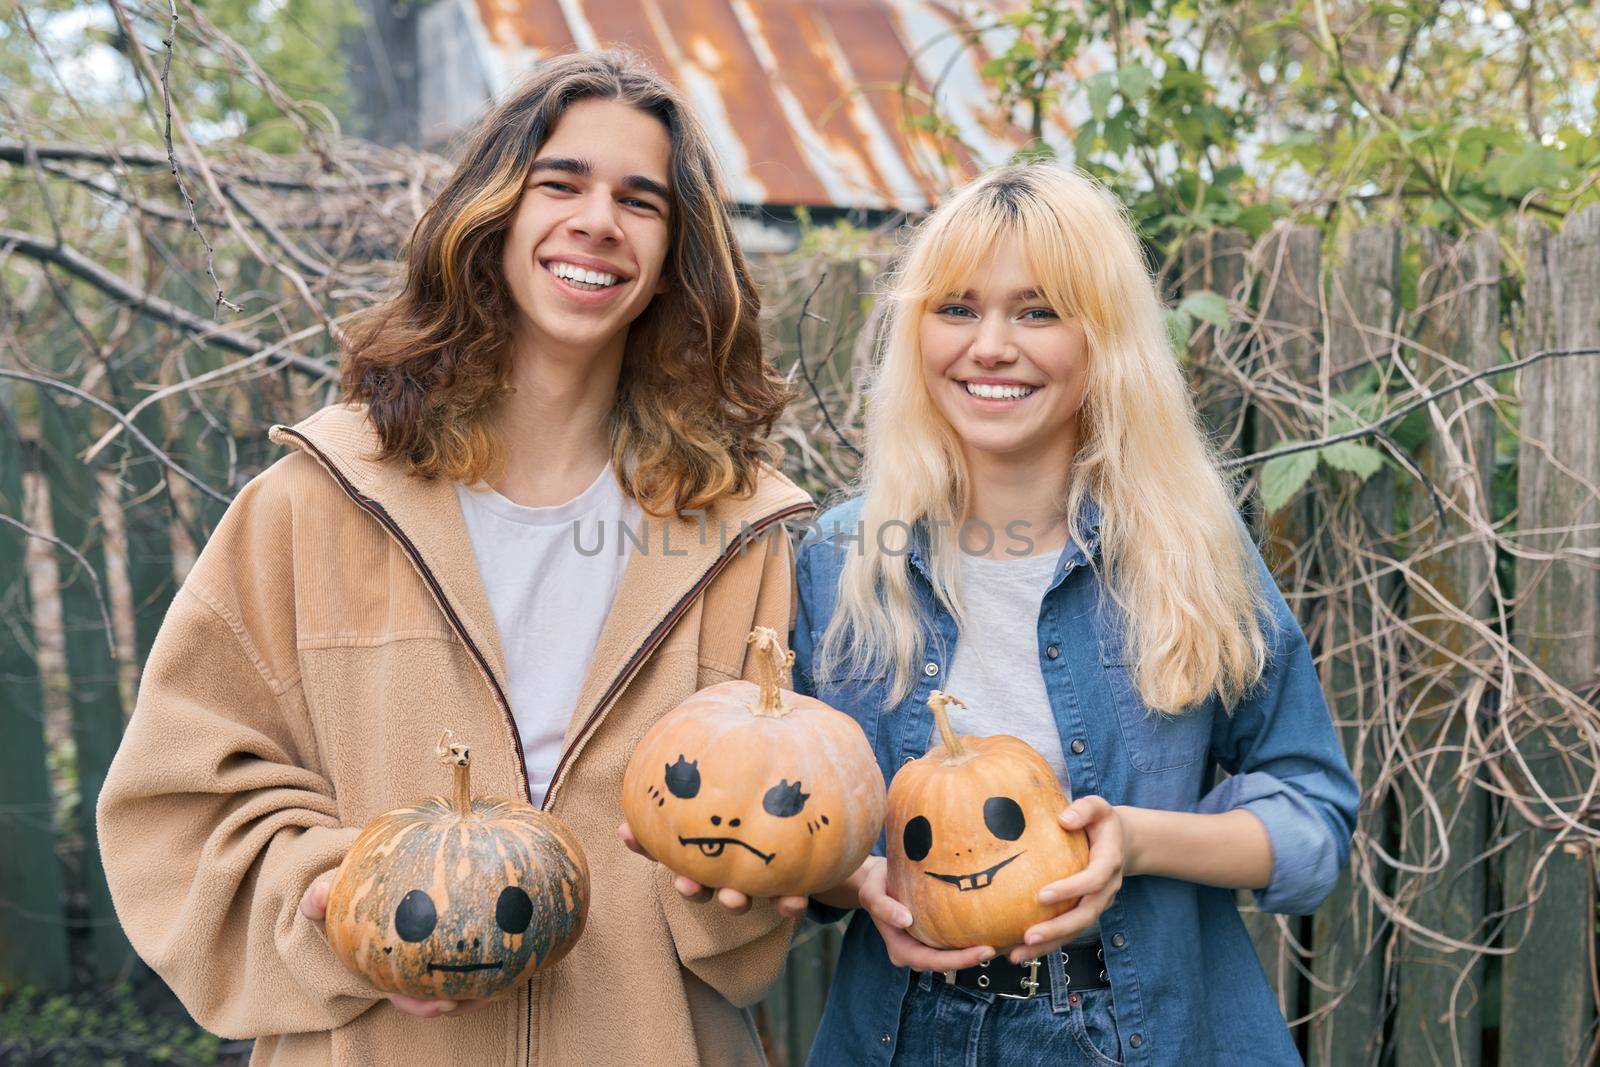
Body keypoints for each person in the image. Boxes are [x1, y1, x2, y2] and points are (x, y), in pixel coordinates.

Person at [97, 50, 812, 1066]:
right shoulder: (315, 502)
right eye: (559, 182)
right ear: (493, 210)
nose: (597, 221)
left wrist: (742, 887)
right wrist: (349, 897)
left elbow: (783, 832)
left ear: (674, 252)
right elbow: (177, 800)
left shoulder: (735, 531)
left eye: (639, 200)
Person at [789, 163, 1360, 1065]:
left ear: (1104, 341)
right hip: (901, 1035)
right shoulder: (841, 563)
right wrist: (862, 880)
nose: (990, 345)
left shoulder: (1188, 551)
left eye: (1038, 311)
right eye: (957, 308)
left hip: (1142, 1034)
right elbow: (793, 824)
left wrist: (1134, 840)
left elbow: (1313, 822)